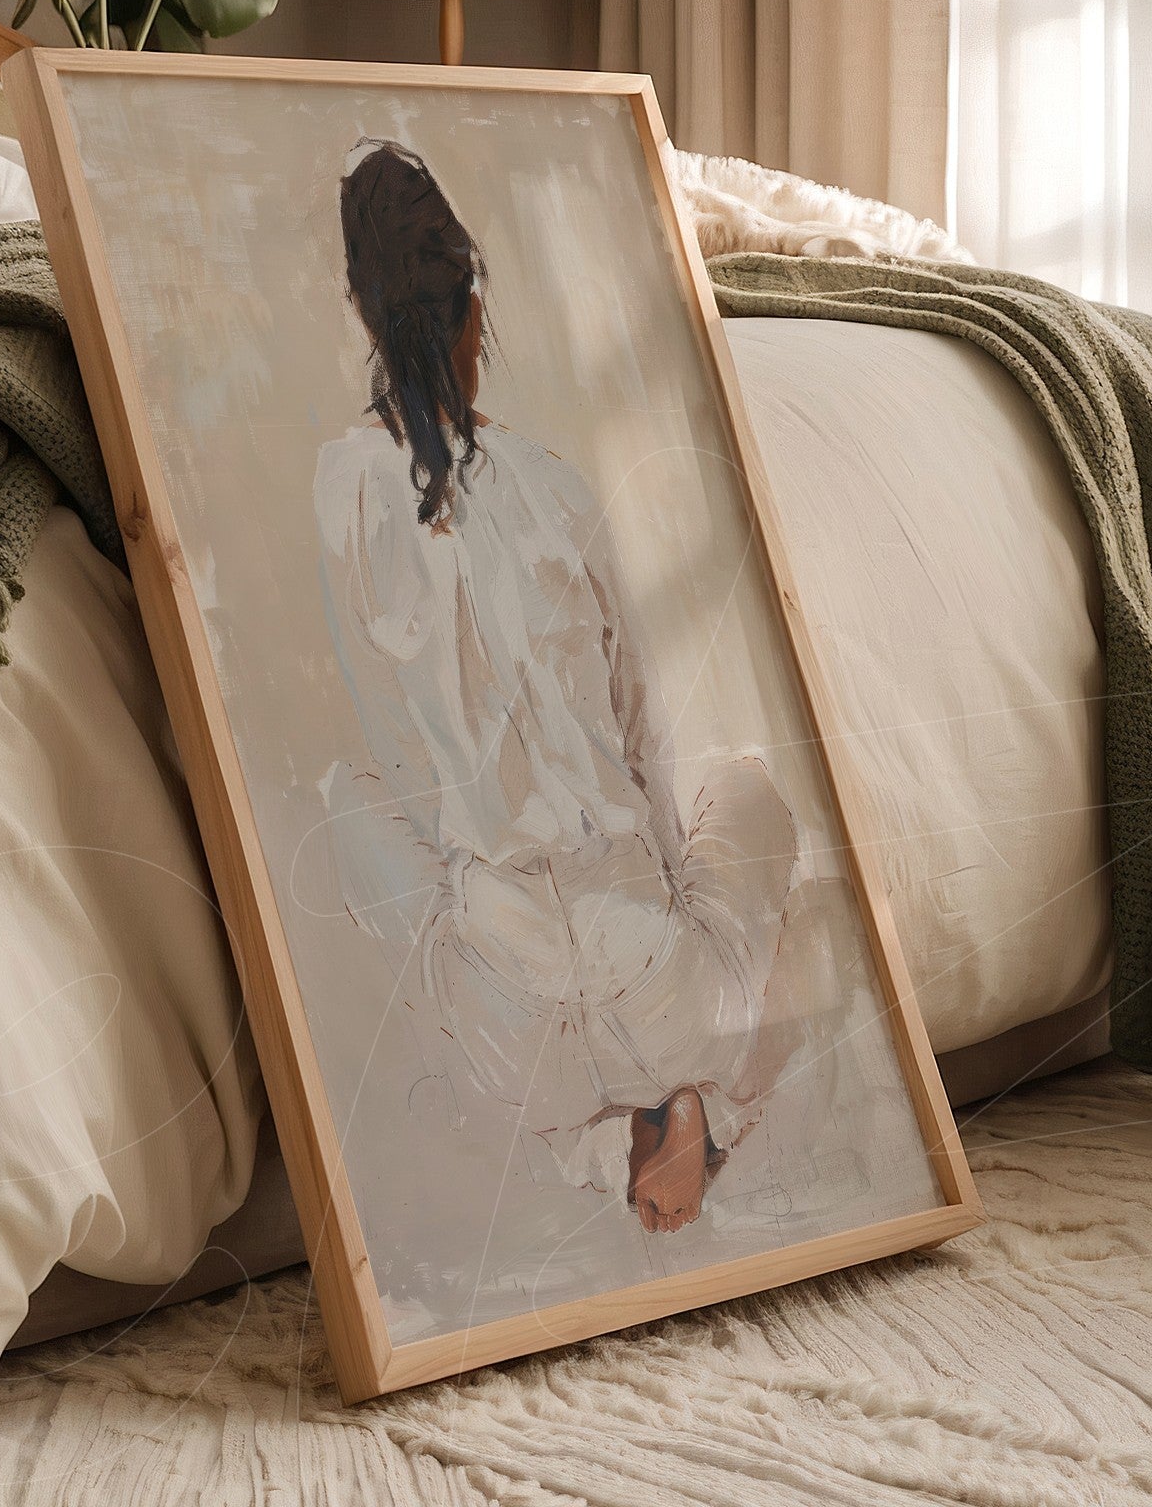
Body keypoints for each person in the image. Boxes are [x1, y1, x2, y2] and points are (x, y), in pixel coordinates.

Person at [313, 139, 810, 1233]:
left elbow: (388, 742)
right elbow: (643, 729)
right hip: (656, 969)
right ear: (473, 305)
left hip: (506, 1015)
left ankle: (595, 1142)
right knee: (752, 790)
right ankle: (688, 1109)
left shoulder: (341, 487)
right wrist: (672, 895)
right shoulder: (552, 483)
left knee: (340, 798)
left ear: (361, 310)